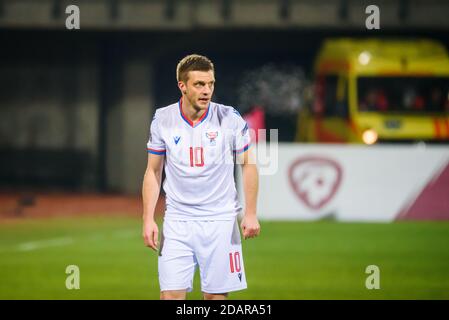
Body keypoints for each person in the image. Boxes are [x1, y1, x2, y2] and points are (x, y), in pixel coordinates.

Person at [142, 54, 260, 300]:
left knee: (215, 298)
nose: (207, 90)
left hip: (220, 221)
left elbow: (248, 164)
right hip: (177, 221)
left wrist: (250, 213)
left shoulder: (229, 118)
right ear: (182, 86)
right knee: (170, 297)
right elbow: (153, 171)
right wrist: (148, 219)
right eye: (199, 84)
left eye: (211, 84)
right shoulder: (163, 119)